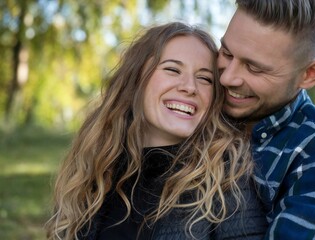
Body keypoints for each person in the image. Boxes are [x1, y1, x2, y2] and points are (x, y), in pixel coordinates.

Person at [45, 22, 268, 240]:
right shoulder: (94, 168)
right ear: (135, 80)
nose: (189, 87)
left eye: (204, 78)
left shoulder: (228, 178)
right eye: (172, 69)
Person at [218, 0, 315, 239]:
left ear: (309, 74)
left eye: (254, 68)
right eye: (226, 52)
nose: (227, 78)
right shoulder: (191, 109)